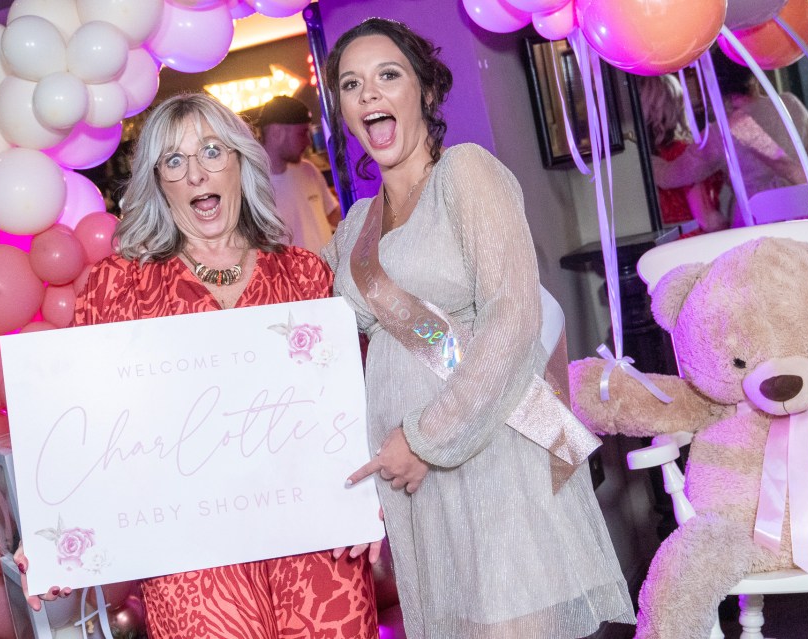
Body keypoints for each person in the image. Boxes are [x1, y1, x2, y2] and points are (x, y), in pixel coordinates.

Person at [15, 92, 378, 639]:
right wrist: (48, 530)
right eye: (175, 161)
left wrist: (370, 498)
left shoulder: (305, 277)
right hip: (193, 561)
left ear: (240, 163)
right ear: (159, 182)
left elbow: (355, 409)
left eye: (212, 152)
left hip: (317, 548)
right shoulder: (119, 289)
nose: (196, 173)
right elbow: (82, 427)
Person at [321, 18, 635, 639]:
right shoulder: (355, 222)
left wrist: (424, 438)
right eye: (352, 85)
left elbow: (513, 318)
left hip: (492, 456)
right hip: (417, 483)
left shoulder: (466, 174)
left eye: (389, 76)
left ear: (427, 92)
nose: (369, 95)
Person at [651, 47, 808, 226]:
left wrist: (640, 153)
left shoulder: (720, 132)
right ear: (753, 73)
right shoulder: (790, 105)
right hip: (804, 216)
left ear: (714, 86)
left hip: (755, 223)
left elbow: (670, 176)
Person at [639, 74, 728, 235]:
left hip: (666, 244)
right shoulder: (683, 154)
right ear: (676, 106)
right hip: (695, 243)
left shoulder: (641, 159)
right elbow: (707, 220)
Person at [257, 95, 341, 253]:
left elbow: (333, 215)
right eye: (302, 133)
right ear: (277, 132)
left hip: (331, 274)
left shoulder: (308, 170)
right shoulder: (252, 187)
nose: (309, 142)